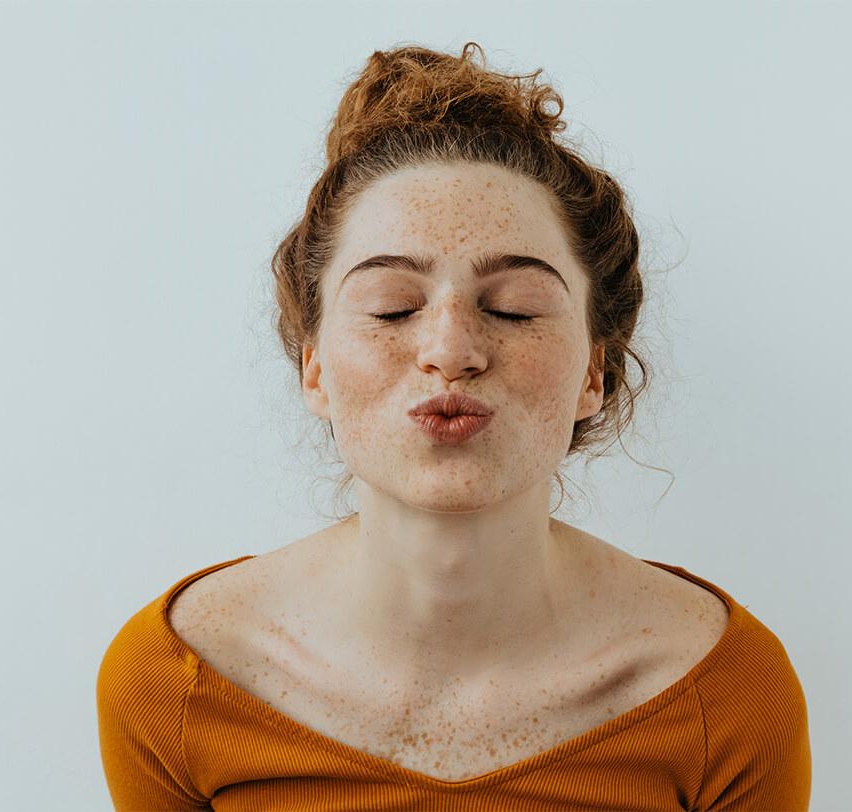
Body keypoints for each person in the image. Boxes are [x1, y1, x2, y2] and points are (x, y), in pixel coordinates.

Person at [97, 41, 811, 810]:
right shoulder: (176, 681)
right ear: (315, 370)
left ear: (593, 375)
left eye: (514, 308)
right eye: (392, 308)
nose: (450, 351)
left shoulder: (723, 691)